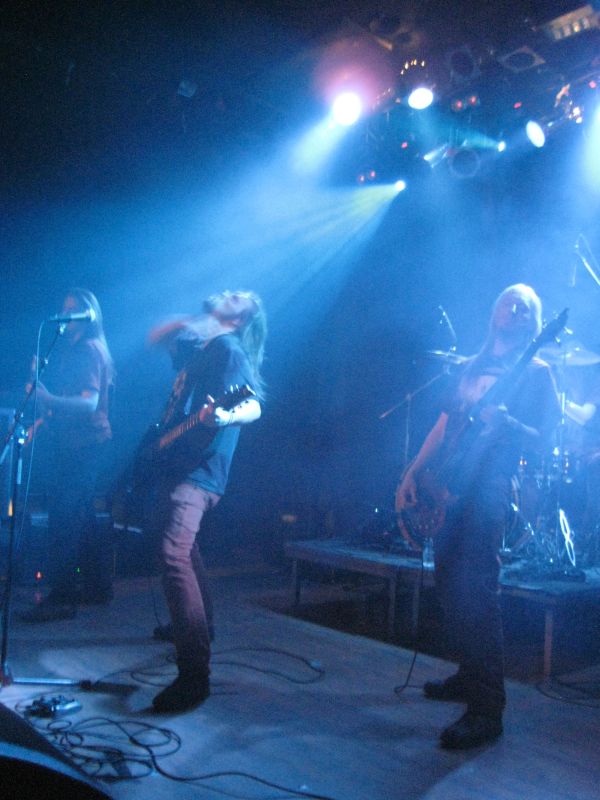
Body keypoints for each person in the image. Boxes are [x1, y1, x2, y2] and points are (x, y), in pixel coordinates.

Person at [396, 284, 560, 749]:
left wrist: (508, 423)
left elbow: (546, 438)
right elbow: (444, 425)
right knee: (449, 584)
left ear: (535, 321)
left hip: (489, 487)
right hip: (448, 484)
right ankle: (470, 676)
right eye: (509, 300)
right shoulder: (471, 366)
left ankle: (488, 710)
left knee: (479, 591)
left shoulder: (538, 372)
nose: (516, 307)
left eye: (526, 305)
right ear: (494, 312)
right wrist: (411, 472)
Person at [145, 290, 266, 713]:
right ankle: (202, 627)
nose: (231, 291)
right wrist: (192, 323)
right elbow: (154, 337)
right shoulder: (204, 349)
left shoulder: (229, 349)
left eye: (239, 297)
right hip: (180, 460)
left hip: (200, 470)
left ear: (240, 319)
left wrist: (226, 415)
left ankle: (194, 675)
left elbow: (252, 404)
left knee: (173, 553)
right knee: (184, 549)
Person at [21, 288, 115, 622]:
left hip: (84, 445)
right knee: (82, 516)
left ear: (89, 316)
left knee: (64, 518)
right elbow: (69, 398)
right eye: (65, 308)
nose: (67, 315)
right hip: (77, 442)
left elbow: (88, 403)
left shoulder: (89, 350)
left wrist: (46, 399)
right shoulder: (74, 350)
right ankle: (98, 586)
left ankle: (62, 597)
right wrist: (42, 421)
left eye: (75, 310)